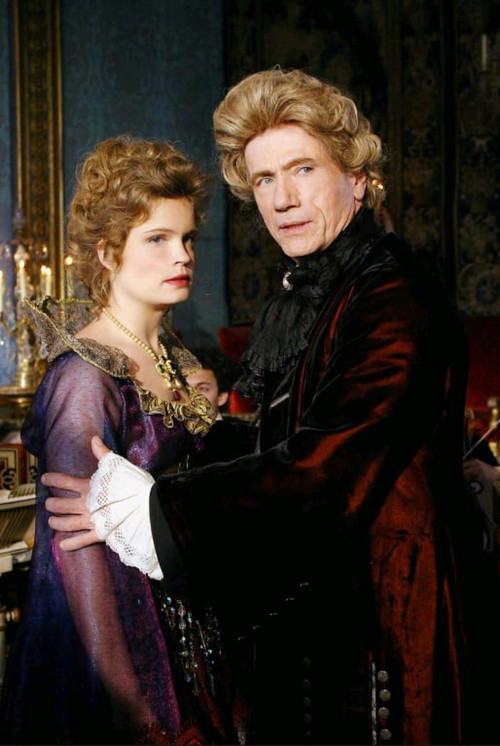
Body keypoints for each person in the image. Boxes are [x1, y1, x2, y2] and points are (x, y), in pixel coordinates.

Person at [42, 69, 488, 745]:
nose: (283, 199)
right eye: (264, 180)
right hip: (326, 631)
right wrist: (187, 434)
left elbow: (322, 471)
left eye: (303, 169)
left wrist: (158, 511)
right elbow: (281, 441)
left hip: (389, 635)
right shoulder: (326, 291)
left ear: (358, 178)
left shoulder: (393, 298)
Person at [0, 136, 245, 745]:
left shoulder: (172, 358)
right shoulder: (85, 376)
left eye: (187, 238)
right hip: (121, 645)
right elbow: (75, 554)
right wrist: (132, 708)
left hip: (190, 630)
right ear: (108, 253)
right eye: (157, 239)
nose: (182, 255)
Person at [186, 348, 258, 465]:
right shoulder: (165, 437)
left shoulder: (245, 439)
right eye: (185, 388)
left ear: (221, 397)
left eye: (202, 389)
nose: (192, 397)